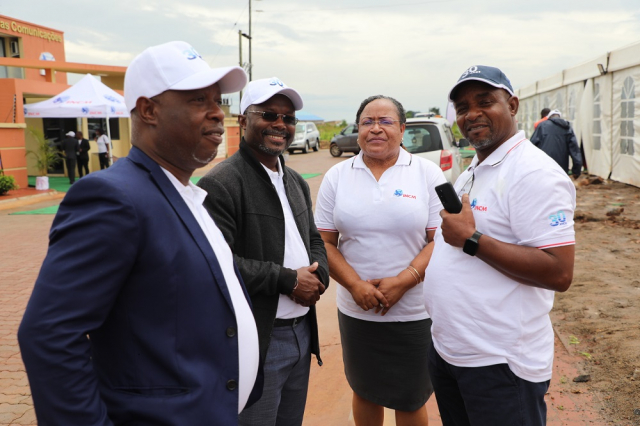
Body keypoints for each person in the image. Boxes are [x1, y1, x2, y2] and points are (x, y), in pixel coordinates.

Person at [18, 41, 262, 426]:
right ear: (148, 110)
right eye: (200, 100)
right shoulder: (113, 198)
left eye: (219, 101)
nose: (218, 114)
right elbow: (49, 336)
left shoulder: (187, 194)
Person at [424, 65, 577, 426]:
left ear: (512, 105)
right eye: (462, 107)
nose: (471, 114)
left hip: (499, 363)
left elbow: (559, 271)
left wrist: (472, 240)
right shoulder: (475, 168)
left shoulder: (534, 173)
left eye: (484, 101)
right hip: (452, 352)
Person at [197, 77, 329, 426]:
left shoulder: (294, 180)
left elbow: (314, 239)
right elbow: (215, 264)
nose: (280, 125)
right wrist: (287, 280)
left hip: (302, 332)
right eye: (269, 114)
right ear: (243, 121)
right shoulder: (222, 183)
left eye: (288, 118)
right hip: (259, 339)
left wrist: (320, 278)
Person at [315, 95, 446, 426]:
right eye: (367, 122)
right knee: (365, 390)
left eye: (385, 121)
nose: (375, 128)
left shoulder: (427, 174)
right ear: (357, 130)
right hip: (357, 310)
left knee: (411, 396)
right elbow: (324, 243)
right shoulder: (337, 176)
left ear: (402, 129)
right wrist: (356, 285)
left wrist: (405, 280)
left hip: (415, 311)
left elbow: (441, 240)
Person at [531, 109, 582, 179]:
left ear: (549, 118)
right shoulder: (567, 127)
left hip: (543, 168)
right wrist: (576, 171)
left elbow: (532, 146)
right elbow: (575, 151)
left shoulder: (542, 126)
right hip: (561, 170)